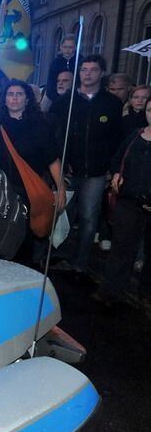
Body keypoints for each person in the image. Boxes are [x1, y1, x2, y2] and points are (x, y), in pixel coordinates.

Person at [49, 54, 124, 273]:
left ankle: (79, 263)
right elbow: (55, 135)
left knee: (89, 218)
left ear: (101, 73)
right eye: (84, 70)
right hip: (68, 170)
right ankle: (55, 256)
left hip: (96, 172)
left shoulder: (111, 103)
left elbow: (115, 137)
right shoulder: (66, 101)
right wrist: (60, 162)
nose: (87, 73)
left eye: (92, 69)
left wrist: (111, 166)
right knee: (61, 215)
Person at [0, 81, 66, 264]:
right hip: (2, 194)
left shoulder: (39, 126)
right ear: (4, 99)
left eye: (19, 94)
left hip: (28, 192)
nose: (14, 98)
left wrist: (61, 189)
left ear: (27, 99)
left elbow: (53, 160)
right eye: (10, 94)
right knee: (2, 236)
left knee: (25, 239)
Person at [94, 103, 151, 307]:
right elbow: (118, 158)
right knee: (121, 248)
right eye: (150, 110)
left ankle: (145, 293)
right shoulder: (135, 136)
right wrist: (117, 172)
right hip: (129, 201)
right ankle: (110, 292)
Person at [46, 35, 77, 102]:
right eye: (65, 47)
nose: (67, 50)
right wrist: (58, 100)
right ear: (61, 47)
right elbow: (51, 84)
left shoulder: (80, 61)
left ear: (75, 48)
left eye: (70, 47)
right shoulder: (55, 63)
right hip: (55, 96)